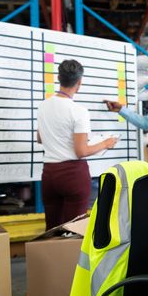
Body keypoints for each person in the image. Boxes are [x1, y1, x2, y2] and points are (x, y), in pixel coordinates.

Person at [37, 59, 118, 230]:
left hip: (49, 175)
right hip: (72, 175)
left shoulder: (43, 106)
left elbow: (40, 138)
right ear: (79, 82)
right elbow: (81, 150)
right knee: (74, 231)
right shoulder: (78, 111)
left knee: (52, 230)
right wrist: (106, 143)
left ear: (59, 78)